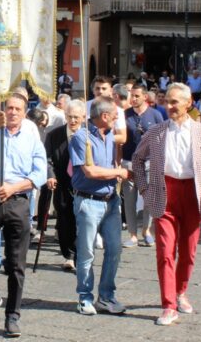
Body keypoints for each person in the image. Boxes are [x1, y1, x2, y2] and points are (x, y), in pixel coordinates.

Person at [133, 83, 201, 326]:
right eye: (167, 102)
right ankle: (168, 305)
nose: (169, 106)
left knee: (189, 251)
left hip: (193, 194)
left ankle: (181, 291)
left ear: (188, 103)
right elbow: (138, 159)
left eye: (174, 102)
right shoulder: (156, 132)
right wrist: (144, 188)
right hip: (165, 193)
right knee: (164, 251)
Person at [0, 93, 47, 338]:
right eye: (9, 108)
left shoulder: (31, 137)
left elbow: (40, 173)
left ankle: (13, 314)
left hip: (17, 202)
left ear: (25, 112)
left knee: (15, 264)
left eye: (17, 109)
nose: (13, 112)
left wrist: (15, 187)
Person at [70, 96, 128, 316]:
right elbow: (90, 171)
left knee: (114, 249)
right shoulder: (80, 137)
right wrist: (119, 173)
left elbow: (121, 143)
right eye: (114, 114)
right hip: (88, 201)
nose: (116, 118)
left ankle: (106, 296)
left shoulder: (110, 134)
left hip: (111, 200)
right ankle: (84, 297)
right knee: (87, 253)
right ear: (104, 116)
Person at [44, 100, 85, 271]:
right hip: (62, 183)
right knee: (64, 219)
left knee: (82, 221)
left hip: (84, 185)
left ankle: (81, 254)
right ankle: (68, 255)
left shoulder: (90, 135)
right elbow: (47, 159)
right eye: (69, 116)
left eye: (76, 117)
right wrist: (50, 176)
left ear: (83, 118)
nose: (73, 120)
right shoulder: (54, 135)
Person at [123, 85, 163, 248]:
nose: (133, 99)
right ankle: (132, 234)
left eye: (136, 96)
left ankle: (146, 230)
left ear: (145, 97)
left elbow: (163, 138)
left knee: (149, 199)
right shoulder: (125, 115)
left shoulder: (155, 115)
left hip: (149, 162)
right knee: (129, 200)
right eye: (131, 96)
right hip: (129, 161)